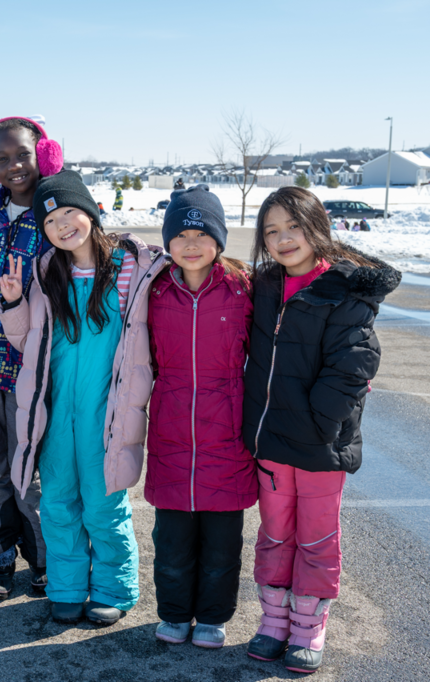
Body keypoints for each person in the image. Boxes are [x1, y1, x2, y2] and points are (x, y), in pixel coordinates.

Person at [243, 186, 400, 673]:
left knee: (315, 537)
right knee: (274, 533)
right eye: (272, 231)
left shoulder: (344, 289)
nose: (284, 238)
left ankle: (309, 627)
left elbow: (353, 365)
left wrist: (319, 424)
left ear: (318, 227)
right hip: (270, 440)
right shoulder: (264, 286)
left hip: (317, 444)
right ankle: (273, 621)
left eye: (294, 226)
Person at [0, 170, 166, 626]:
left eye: (71, 211)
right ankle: (68, 587)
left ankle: (113, 587)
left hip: (105, 416)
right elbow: (25, 342)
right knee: (56, 503)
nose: (63, 224)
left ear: (90, 212)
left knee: (103, 504)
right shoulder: (47, 272)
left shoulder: (129, 268)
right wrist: (13, 304)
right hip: (54, 416)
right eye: (52, 221)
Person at [146, 186, 256, 648]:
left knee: (221, 547)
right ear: (168, 242)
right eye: (181, 234)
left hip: (228, 434)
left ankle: (212, 616)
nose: (191, 244)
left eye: (202, 233)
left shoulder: (243, 290)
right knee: (171, 543)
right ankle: (173, 614)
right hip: (170, 430)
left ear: (220, 240)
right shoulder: (152, 291)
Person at [0, 116, 62, 600]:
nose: (13, 165)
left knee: (32, 471)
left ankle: (44, 559)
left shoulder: (56, 210)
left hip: (31, 365)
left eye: (22, 153)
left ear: (42, 153)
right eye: (1, 157)